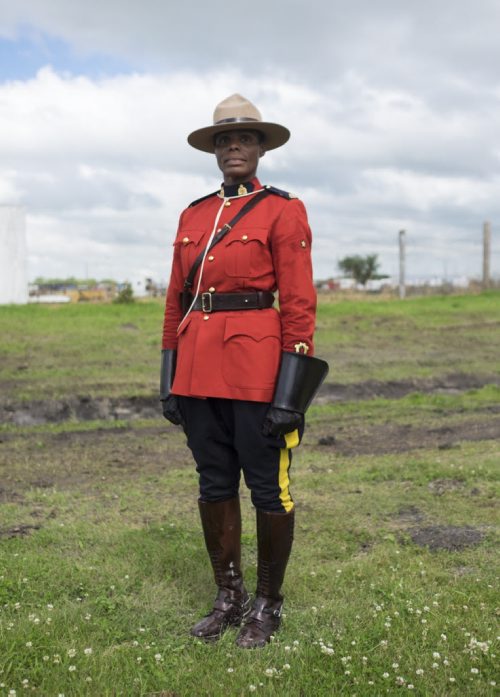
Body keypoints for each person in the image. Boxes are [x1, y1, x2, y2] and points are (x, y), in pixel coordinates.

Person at [160, 94, 328, 648]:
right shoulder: (194, 215)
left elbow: (299, 304)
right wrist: (168, 375)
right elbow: (174, 300)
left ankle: (267, 604)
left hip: (257, 367)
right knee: (213, 483)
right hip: (196, 367)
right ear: (214, 150)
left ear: (260, 149)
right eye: (225, 140)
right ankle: (227, 597)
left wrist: (291, 391)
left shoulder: (283, 210)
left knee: (266, 488)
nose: (235, 146)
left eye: (246, 139)